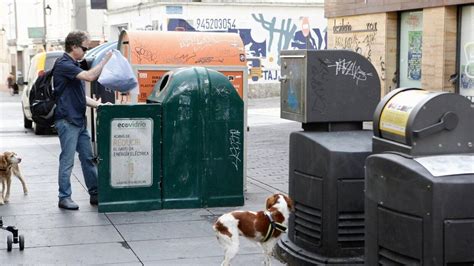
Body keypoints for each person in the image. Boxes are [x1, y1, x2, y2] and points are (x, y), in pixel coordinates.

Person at [54, 30, 112, 210]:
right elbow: (89, 76)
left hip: (78, 121)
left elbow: (80, 97)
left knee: (87, 158)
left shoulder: (74, 65)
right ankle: (64, 197)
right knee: (67, 160)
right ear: (73, 46)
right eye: (84, 48)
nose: (86, 52)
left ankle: (95, 194)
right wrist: (104, 61)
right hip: (67, 121)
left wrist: (100, 106)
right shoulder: (64, 64)